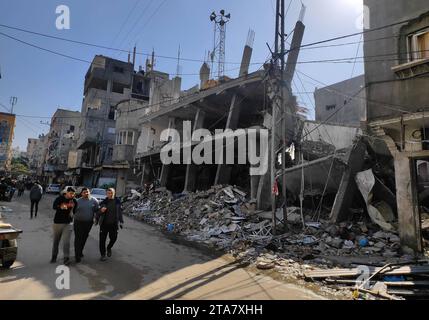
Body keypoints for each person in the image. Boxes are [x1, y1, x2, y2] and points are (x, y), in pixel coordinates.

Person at [95, 188, 123, 261]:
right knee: (102, 240)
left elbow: (120, 212)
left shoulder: (117, 202)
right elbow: (97, 213)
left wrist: (121, 221)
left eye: (111, 193)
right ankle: (103, 255)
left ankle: (109, 247)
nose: (110, 194)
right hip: (104, 224)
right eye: (108, 193)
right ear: (106, 194)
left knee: (114, 238)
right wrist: (101, 210)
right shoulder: (104, 202)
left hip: (114, 225)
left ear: (114, 193)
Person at [51, 187, 77, 265]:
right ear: (67, 192)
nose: (72, 195)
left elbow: (74, 212)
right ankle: (54, 256)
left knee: (66, 242)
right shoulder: (60, 198)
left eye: (73, 194)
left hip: (68, 223)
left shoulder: (74, 201)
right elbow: (54, 206)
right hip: (57, 223)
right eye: (71, 193)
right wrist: (61, 207)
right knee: (56, 241)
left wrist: (72, 208)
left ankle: (66, 258)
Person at [73, 188, 99, 263]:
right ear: (81, 193)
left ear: (89, 192)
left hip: (88, 223)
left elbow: (97, 211)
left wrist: (96, 219)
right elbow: (72, 211)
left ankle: (80, 251)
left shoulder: (94, 201)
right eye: (84, 192)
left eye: (87, 192)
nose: (86, 193)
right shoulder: (77, 201)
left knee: (84, 238)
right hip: (78, 222)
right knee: (78, 238)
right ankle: (77, 255)